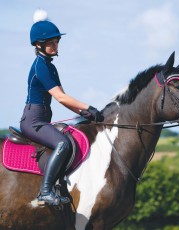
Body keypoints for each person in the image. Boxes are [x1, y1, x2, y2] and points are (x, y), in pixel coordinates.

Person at [20, 10, 104, 206]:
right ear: (39, 45)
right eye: (51, 42)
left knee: (69, 139)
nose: (55, 45)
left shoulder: (50, 66)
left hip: (41, 119)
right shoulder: (40, 66)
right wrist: (89, 107)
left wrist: (84, 113)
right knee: (62, 144)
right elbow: (60, 97)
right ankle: (45, 191)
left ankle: (58, 186)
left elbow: (65, 97)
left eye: (57, 41)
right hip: (33, 121)